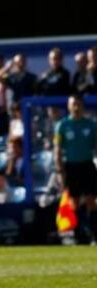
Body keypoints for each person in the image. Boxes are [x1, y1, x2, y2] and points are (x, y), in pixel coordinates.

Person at [54, 94, 97, 244]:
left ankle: (94, 234)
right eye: (73, 104)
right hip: (71, 166)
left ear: (83, 106)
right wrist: (59, 170)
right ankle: (78, 235)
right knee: (74, 201)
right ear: (68, 106)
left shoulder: (91, 125)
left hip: (87, 165)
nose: (76, 107)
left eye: (78, 104)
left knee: (92, 200)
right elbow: (57, 149)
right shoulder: (62, 125)